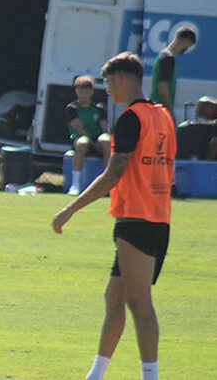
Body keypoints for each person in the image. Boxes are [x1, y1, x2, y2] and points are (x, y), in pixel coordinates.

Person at [52, 52, 176, 380]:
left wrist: (70, 209)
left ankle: (151, 376)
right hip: (158, 217)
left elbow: (114, 172)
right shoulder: (163, 116)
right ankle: (96, 375)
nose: (106, 89)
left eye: (107, 81)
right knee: (114, 297)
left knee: (139, 303)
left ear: (122, 78)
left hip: (137, 218)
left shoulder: (132, 118)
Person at [65, 75, 111, 195]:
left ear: (91, 92)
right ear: (76, 91)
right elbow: (80, 130)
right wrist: (94, 145)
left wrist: (107, 138)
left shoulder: (99, 108)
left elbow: (104, 127)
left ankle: (108, 184)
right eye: (81, 91)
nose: (83, 95)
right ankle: (75, 185)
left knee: (106, 140)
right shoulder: (72, 108)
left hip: (98, 140)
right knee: (83, 142)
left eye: (86, 92)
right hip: (80, 139)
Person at [149, 26, 197, 116]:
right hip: (160, 109)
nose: (186, 49)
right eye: (188, 46)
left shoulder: (164, 55)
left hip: (156, 108)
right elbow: (163, 87)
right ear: (186, 41)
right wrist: (169, 111)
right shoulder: (168, 58)